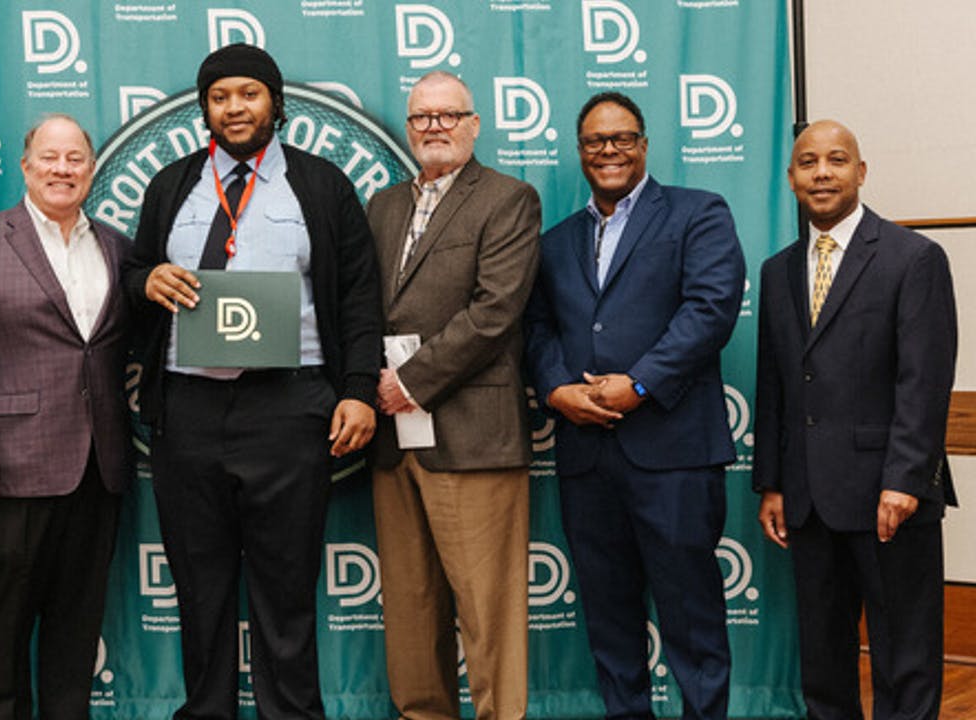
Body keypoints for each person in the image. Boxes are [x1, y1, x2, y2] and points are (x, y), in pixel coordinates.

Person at [122, 43, 380, 719]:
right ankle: (205, 711)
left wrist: (356, 389)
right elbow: (131, 273)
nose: (234, 108)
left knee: (286, 585)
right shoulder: (171, 184)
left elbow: (357, 295)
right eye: (219, 97)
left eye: (249, 94)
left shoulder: (322, 185)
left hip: (289, 408)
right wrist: (145, 280)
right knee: (199, 585)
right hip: (189, 408)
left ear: (275, 103)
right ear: (204, 109)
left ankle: (291, 713)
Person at [524, 91, 744, 720]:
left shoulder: (698, 214)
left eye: (622, 139)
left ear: (644, 144)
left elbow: (710, 310)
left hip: (673, 454)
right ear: (580, 152)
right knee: (609, 620)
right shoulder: (556, 242)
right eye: (596, 142)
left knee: (692, 619)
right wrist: (558, 388)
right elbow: (536, 328)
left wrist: (639, 383)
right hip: (587, 460)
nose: (609, 151)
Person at [0, 114, 130, 720]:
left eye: (75, 159)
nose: (62, 169)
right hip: (8, 464)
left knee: (77, 623)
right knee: (5, 619)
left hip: (99, 466)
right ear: (25, 166)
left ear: (92, 169)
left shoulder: (116, 246)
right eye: (50, 157)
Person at [754, 120, 957, 720]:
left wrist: (905, 480)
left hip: (888, 496)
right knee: (823, 657)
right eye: (808, 162)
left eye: (837, 160)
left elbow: (923, 383)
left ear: (860, 173)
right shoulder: (778, 270)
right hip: (809, 499)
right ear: (791, 178)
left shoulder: (913, 257)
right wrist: (773, 479)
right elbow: (776, 384)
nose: (822, 172)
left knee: (905, 655)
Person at [364, 71, 540, 720]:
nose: (433, 127)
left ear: (474, 123)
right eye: (420, 118)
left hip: (472, 437)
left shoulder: (507, 198)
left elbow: (495, 312)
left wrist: (411, 382)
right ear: (407, 129)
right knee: (411, 615)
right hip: (394, 442)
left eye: (448, 115)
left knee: (487, 618)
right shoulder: (382, 206)